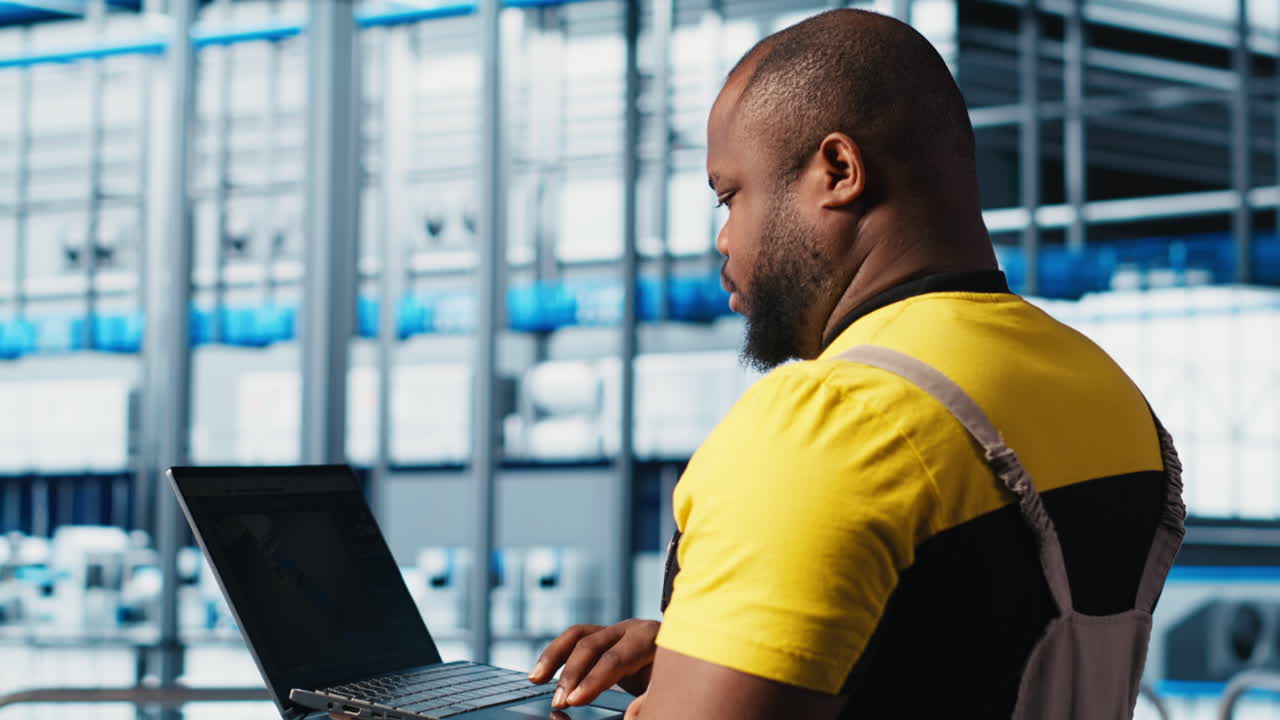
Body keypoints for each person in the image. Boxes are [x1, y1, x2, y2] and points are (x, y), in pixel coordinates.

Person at [527, 8, 1183, 720]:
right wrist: (724, 651)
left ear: (838, 171)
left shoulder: (834, 422)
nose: (722, 240)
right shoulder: (1101, 388)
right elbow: (970, 649)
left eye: (730, 196)